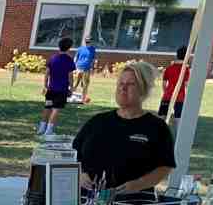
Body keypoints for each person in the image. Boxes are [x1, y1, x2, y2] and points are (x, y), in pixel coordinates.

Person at [73, 60, 176, 196]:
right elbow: (73, 153)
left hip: (132, 202)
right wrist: (80, 173)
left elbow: (165, 166)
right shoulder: (97, 122)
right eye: (121, 84)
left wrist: (139, 184)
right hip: (87, 200)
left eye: (130, 84)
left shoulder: (157, 127)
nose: (123, 88)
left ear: (143, 89)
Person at [39, 36, 77, 136]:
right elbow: (70, 76)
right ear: (69, 48)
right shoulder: (69, 60)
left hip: (51, 89)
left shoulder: (53, 58)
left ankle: (41, 128)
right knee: (56, 109)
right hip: (61, 90)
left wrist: (45, 85)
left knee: (47, 107)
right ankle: (49, 131)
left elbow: (47, 73)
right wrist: (71, 88)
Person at [158, 45, 189, 120]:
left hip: (167, 96)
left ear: (177, 55)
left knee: (162, 117)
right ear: (186, 56)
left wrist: (167, 93)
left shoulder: (168, 68)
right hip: (180, 98)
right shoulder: (186, 70)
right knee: (178, 118)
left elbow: (164, 84)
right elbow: (186, 84)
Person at [71, 36, 98, 104]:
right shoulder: (80, 49)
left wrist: (93, 67)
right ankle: (70, 96)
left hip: (87, 69)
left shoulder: (93, 49)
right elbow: (75, 57)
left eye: (89, 41)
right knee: (75, 83)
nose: (87, 42)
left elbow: (94, 59)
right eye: (86, 41)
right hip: (78, 68)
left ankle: (83, 99)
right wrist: (74, 67)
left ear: (91, 41)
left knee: (85, 85)